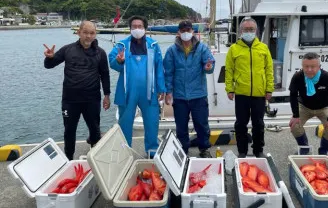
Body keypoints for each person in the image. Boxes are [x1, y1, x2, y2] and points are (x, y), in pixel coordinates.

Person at [43, 21, 111, 160]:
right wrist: (49, 58)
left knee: (95, 129)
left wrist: (107, 95)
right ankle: (68, 159)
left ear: (95, 34)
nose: (88, 36)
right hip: (70, 100)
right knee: (69, 131)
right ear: (79, 32)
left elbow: (105, 74)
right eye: (85, 32)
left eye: (92, 33)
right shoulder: (68, 49)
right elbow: (49, 65)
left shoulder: (101, 53)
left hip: (92, 99)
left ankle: (95, 158)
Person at [109, 15, 165, 157]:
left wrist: (161, 88)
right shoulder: (121, 46)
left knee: (152, 123)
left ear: (145, 28)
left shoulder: (153, 45)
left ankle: (152, 152)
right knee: (125, 123)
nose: (137, 29)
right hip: (128, 91)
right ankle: (125, 153)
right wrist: (119, 61)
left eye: (140, 26)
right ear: (130, 29)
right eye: (134, 27)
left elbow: (159, 68)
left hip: (149, 91)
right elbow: (112, 62)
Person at [163, 20, 215, 158]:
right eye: (183, 30)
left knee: (202, 124)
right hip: (179, 96)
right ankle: (183, 149)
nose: (186, 33)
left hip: (198, 94)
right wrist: (168, 92)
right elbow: (168, 73)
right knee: (181, 126)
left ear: (193, 32)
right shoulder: (171, 51)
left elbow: (209, 64)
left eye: (188, 30)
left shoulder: (202, 48)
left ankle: (204, 149)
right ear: (178, 33)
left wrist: (209, 67)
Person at [225, 17, 274, 158]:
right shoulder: (234, 49)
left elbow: (268, 70)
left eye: (251, 29)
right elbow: (229, 71)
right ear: (240, 31)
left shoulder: (263, 48)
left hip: (259, 93)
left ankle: (258, 150)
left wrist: (269, 89)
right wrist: (230, 89)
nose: (248, 32)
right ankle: (242, 151)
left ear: (256, 31)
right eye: (246, 29)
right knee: (241, 124)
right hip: (241, 93)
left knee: (258, 124)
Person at [289, 52, 328, 155]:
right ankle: (304, 148)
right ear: (302, 66)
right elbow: (293, 95)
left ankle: (324, 151)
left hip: (323, 107)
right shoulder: (297, 77)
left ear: (319, 67)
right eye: (306, 66)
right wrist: (295, 115)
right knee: (294, 126)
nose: (309, 69)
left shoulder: (327, 77)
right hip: (304, 106)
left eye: (313, 67)